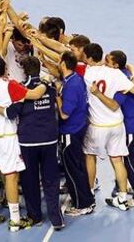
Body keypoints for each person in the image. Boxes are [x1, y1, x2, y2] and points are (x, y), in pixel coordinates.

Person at [0, 56, 64, 230]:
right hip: (49, 140)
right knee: (51, 180)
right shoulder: (50, 87)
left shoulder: (21, 90)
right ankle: (56, 218)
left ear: (24, 70)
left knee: (30, 181)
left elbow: (10, 113)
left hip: (28, 142)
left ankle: (35, 217)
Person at [0, 52, 49, 232]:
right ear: (5, 69)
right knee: (11, 176)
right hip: (5, 136)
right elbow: (35, 95)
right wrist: (45, 82)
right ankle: (15, 218)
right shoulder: (10, 86)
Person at [82, 43, 134, 211]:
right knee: (117, 160)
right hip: (117, 125)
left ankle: (89, 194)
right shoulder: (116, 73)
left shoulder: (87, 73)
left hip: (98, 126)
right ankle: (122, 198)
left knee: (90, 156)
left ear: (88, 58)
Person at [55, 51, 96, 216]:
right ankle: (86, 199)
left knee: (73, 169)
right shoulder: (75, 79)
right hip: (78, 128)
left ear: (64, 64)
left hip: (70, 132)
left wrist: (57, 97)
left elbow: (64, 114)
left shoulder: (71, 86)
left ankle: (82, 204)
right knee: (78, 166)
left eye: (59, 61)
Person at [107, 50, 134, 206]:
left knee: (132, 162)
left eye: (108, 61)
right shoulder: (126, 73)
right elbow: (131, 66)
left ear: (116, 65)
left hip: (131, 127)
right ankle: (127, 186)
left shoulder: (122, 81)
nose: (105, 64)